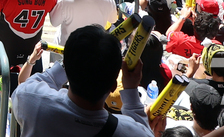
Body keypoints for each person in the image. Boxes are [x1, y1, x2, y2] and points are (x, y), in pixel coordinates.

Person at [10, 25, 158, 137]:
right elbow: (144, 132)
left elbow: (33, 83)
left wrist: (71, 59)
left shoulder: (32, 101)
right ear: (113, 86)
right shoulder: (126, 131)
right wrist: (131, 91)